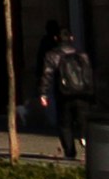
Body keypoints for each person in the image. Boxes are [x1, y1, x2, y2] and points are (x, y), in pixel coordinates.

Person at [38, 24, 96, 159]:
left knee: (65, 124)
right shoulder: (82, 54)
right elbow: (89, 76)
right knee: (84, 120)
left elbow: (47, 74)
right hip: (82, 94)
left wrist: (43, 93)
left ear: (55, 38)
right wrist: (92, 94)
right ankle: (84, 139)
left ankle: (70, 152)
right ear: (71, 38)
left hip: (64, 94)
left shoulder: (52, 55)